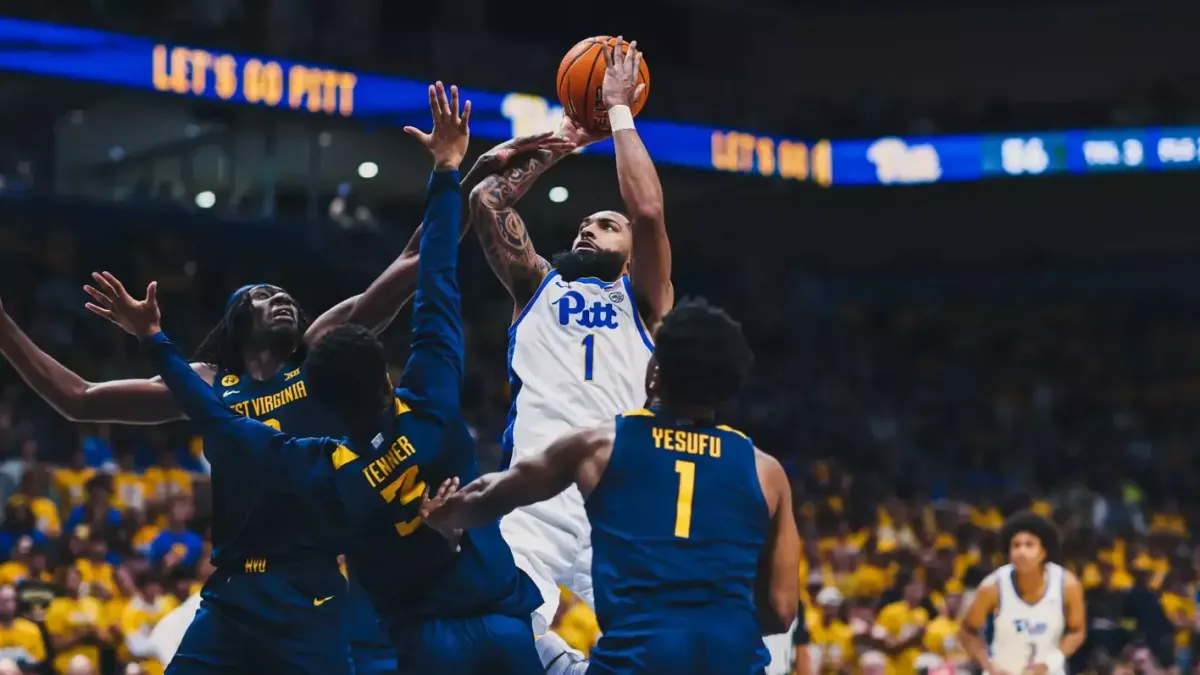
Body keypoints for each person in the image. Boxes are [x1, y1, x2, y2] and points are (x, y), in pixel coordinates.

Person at [0, 104, 564, 675]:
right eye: (262, 295)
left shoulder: (321, 353)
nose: (282, 299)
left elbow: (420, 259)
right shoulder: (206, 383)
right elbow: (76, 396)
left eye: (285, 293)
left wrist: (466, 173)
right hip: (234, 587)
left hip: (317, 578)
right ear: (234, 321)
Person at [421, 297, 800, 674]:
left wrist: (444, 515)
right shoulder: (766, 472)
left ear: (655, 371)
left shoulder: (601, 447)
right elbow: (782, 613)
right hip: (734, 663)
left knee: (519, 645)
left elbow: (490, 495)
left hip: (634, 662)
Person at [466, 37, 673, 671]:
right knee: (491, 631)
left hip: (619, 494)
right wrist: (564, 141)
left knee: (672, 644)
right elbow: (485, 202)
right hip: (535, 496)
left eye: (605, 225)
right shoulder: (538, 283)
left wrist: (617, 114)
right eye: (584, 222)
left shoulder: (645, 299)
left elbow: (647, 207)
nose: (588, 227)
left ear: (632, 252)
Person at [958, 511, 1087, 675]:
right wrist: (988, 665)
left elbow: (1077, 631)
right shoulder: (992, 587)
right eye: (1016, 545)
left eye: (1029, 545)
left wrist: (1050, 662)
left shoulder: (1067, 585)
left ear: (1044, 552)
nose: (1021, 552)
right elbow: (966, 631)